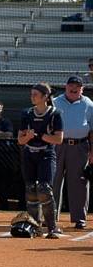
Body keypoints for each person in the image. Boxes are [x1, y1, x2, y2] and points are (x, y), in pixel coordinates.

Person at [19, 82, 64, 238]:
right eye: (31, 94)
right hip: (29, 153)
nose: (32, 97)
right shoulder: (27, 113)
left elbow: (59, 139)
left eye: (35, 94)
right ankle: (35, 226)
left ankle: (52, 227)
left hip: (46, 153)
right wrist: (29, 136)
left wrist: (43, 136)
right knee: (31, 189)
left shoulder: (54, 114)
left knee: (44, 189)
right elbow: (20, 140)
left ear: (45, 97)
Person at [51, 75, 93, 230]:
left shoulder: (88, 104)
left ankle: (79, 218)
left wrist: (92, 152)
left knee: (80, 183)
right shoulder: (55, 102)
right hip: (57, 145)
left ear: (82, 88)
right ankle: (51, 217)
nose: (74, 88)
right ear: (66, 86)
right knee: (53, 181)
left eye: (78, 86)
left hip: (80, 146)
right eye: (71, 85)